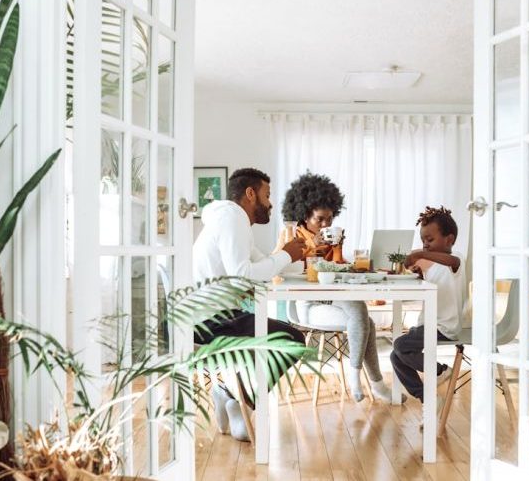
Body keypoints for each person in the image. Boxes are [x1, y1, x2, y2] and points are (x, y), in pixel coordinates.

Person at [193, 167, 307, 441]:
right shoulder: (233, 219)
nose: (269, 204)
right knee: (292, 340)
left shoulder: (231, 220)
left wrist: (293, 257)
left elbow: (260, 264)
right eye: (267, 195)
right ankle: (236, 398)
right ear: (250, 193)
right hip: (205, 323)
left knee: (285, 335)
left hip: (212, 315)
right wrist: (286, 255)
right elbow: (244, 274)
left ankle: (232, 396)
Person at [275, 172, 394, 403]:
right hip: (307, 303)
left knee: (360, 312)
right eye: (320, 219)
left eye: (330, 218)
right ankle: (370, 382)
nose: (326, 224)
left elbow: (336, 269)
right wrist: (310, 245)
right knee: (365, 321)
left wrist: (337, 249)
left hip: (334, 296)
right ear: (304, 214)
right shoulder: (291, 234)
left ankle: (359, 379)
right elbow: (279, 268)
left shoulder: (331, 235)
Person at [390, 206, 468, 404]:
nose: (425, 245)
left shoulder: (456, 260)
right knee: (396, 356)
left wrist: (418, 254)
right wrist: (419, 273)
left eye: (430, 240)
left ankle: (440, 370)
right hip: (429, 324)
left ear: (449, 240)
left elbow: (451, 260)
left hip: (445, 326)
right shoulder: (433, 266)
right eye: (423, 240)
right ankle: (428, 399)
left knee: (400, 345)